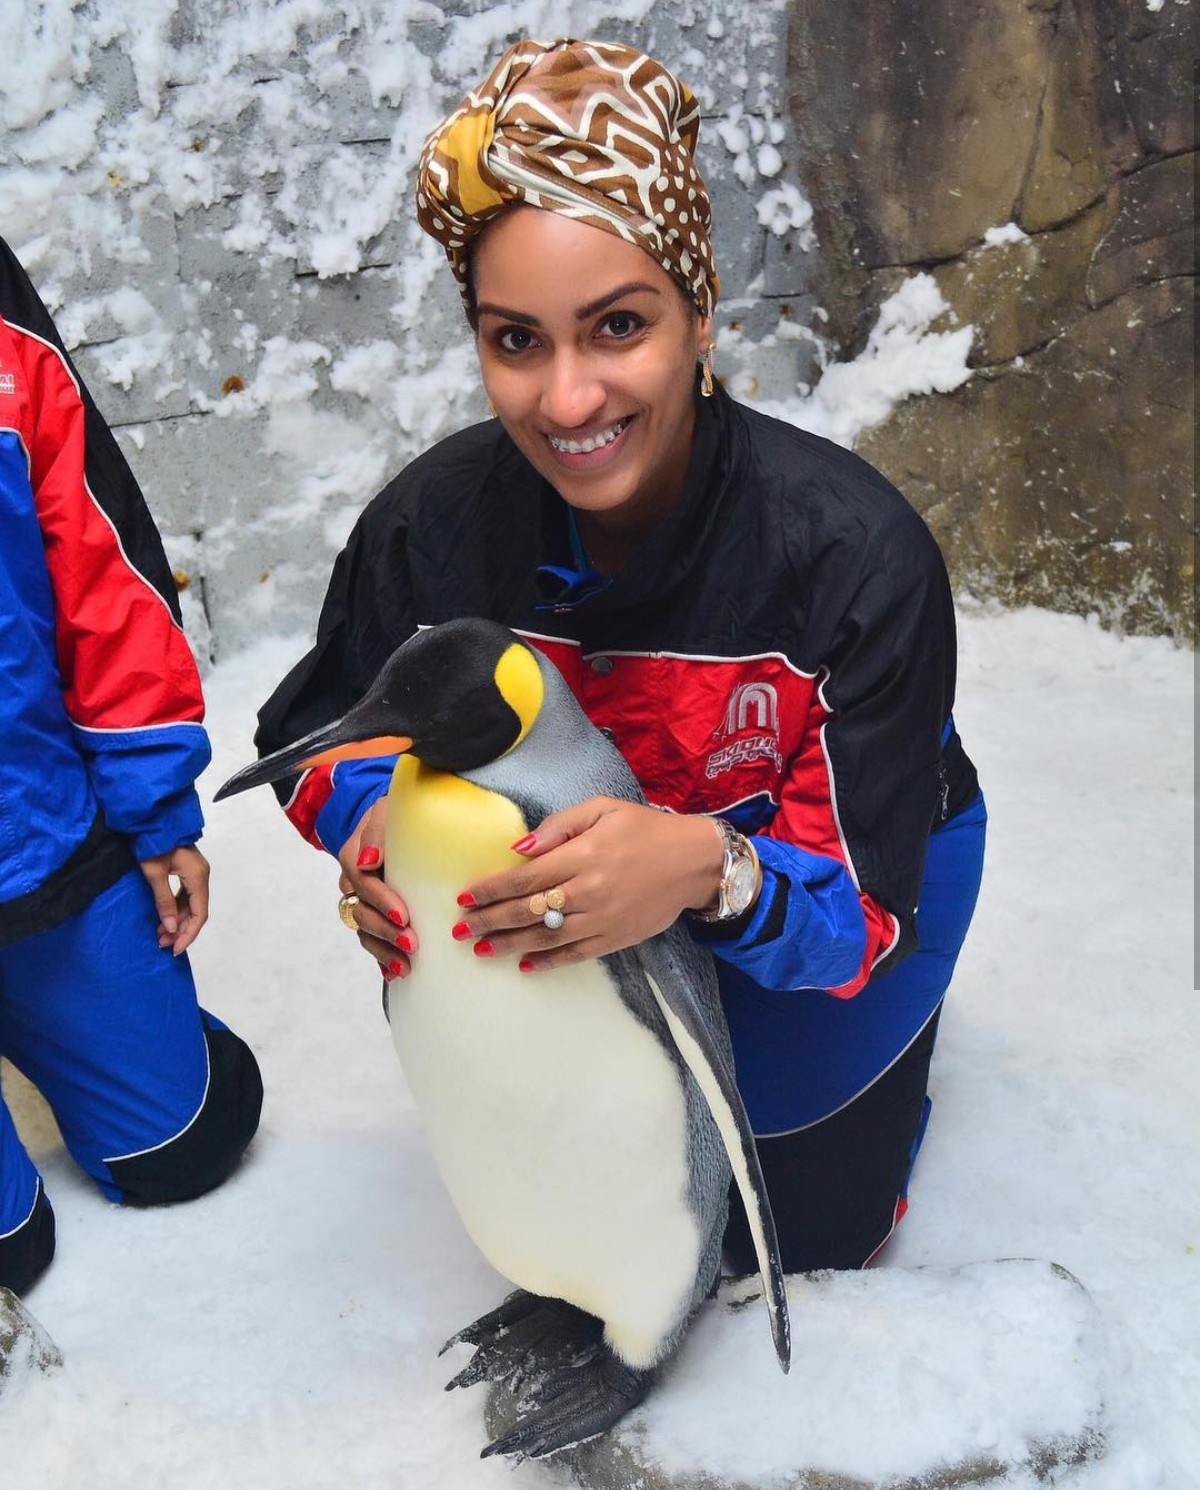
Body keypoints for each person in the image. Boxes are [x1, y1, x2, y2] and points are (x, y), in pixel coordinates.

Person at [255, 38, 986, 1273]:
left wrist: (708, 865)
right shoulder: (429, 532)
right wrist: (387, 847)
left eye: (619, 326)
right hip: (583, 897)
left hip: (832, 873)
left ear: (702, 312)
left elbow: (857, 906)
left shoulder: (854, 556)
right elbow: (319, 743)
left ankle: (902, 1061)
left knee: (786, 1231)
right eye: (518, 340)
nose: (570, 398)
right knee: (598, 1187)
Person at [0, 236, 263, 1299]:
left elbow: (95, 561)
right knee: (13, 1252)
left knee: (188, 1140)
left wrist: (155, 809)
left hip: (35, 831)